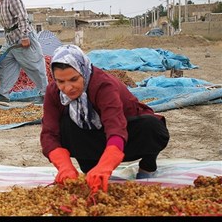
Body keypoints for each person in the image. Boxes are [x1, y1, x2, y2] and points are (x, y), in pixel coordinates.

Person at [40, 44, 170, 193]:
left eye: (74, 79)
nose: (68, 88)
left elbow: (115, 127)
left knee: (152, 127)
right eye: (61, 81)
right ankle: (91, 168)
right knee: (65, 124)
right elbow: (49, 134)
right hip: (93, 139)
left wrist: (106, 165)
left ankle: (148, 164)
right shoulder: (53, 91)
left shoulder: (103, 85)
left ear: (83, 71)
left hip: (126, 136)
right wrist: (64, 166)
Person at [0, 0, 48, 104]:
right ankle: (3, 93)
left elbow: (22, 17)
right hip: (10, 40)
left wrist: (25, 37)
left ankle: (46, 95)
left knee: (34, 66)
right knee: (3, 63)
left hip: (22, 38)